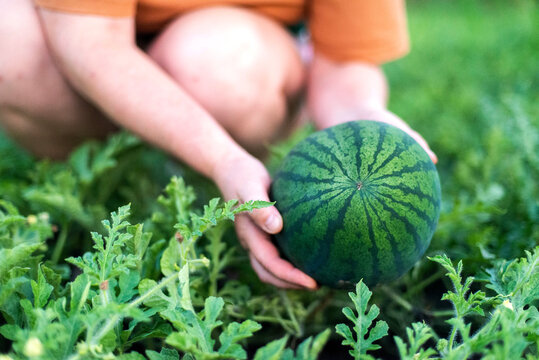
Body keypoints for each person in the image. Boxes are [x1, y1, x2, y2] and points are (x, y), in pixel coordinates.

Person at [0, 0, 437, 290]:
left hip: (235, 54)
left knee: (217, 62)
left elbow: (345, 64)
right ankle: (101, 184)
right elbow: (91, 44)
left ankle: (212, 171)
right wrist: (219, 156)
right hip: (93, 46)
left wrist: (365, 116)